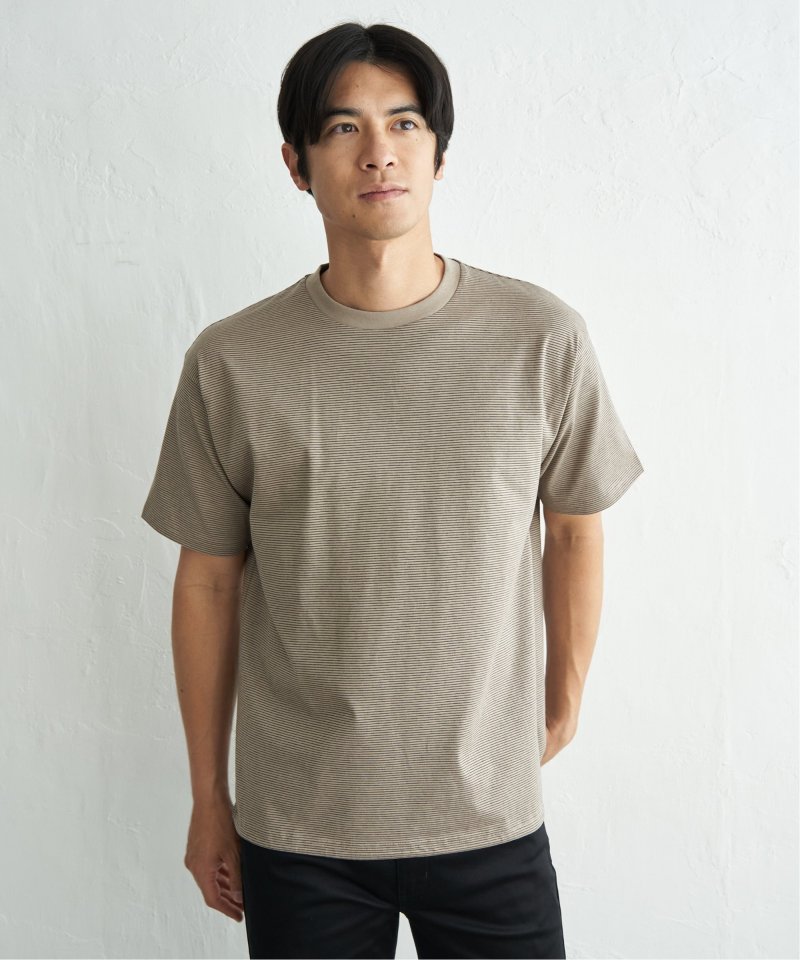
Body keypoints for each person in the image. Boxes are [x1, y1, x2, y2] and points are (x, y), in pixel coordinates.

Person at [141, 20, 644, 960]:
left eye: (405, 123)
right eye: (344, 128)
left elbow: (577, 527)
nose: (379, 151)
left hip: (488, 818)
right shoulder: (232, 361)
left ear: (438, 153)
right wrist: (209, 799)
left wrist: (563, 703)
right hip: (301, 829)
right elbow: (205, 579)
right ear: (295, 164)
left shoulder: (541, 337)